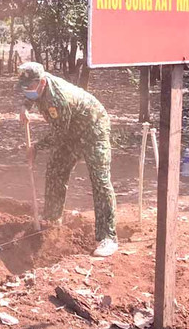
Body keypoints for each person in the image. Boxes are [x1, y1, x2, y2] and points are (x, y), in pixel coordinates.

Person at [16, 62, 118, 257]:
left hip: (92, 130)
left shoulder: (59, 99)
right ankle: (52, 220)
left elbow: (59, 135)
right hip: (70, 131)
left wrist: (36, 148)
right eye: (24, 87)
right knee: (55, 168)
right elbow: (29, 94)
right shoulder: (36, 86)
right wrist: (25, 107)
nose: (26, 90)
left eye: (29, 87)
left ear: (42, 82)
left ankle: (108, 237)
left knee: (100, 180)